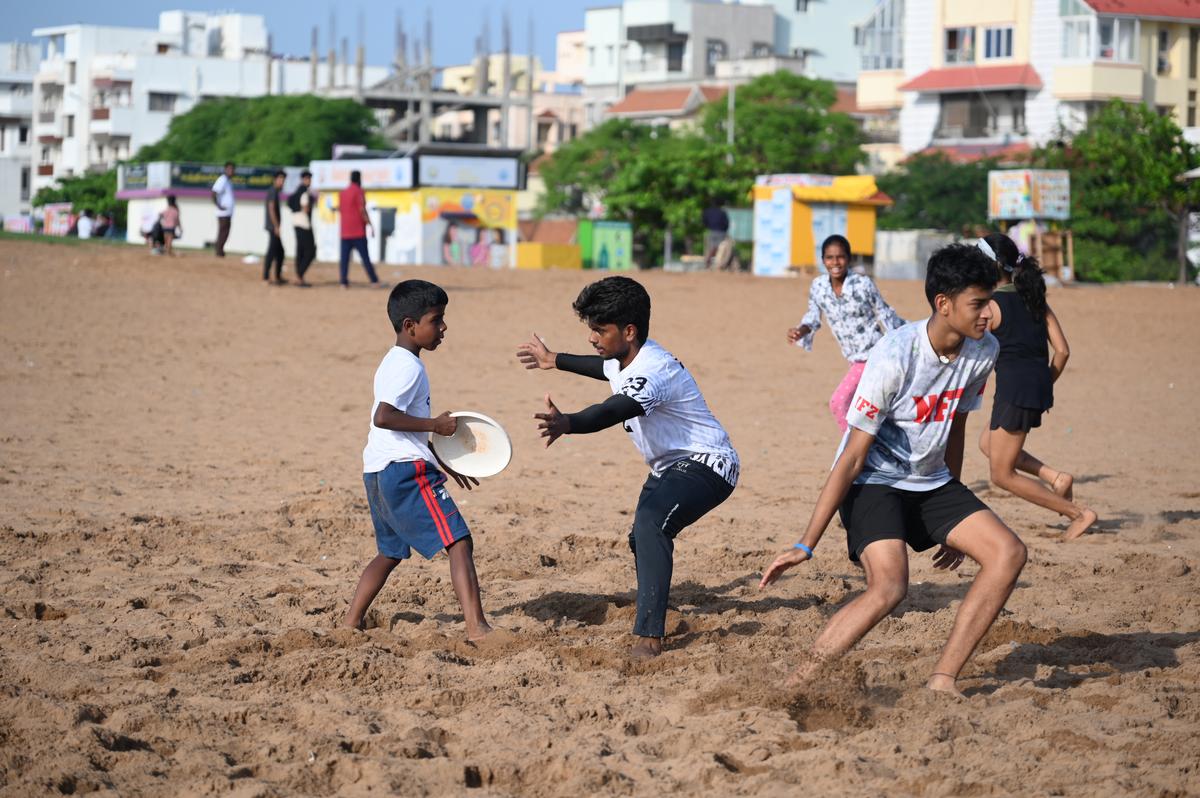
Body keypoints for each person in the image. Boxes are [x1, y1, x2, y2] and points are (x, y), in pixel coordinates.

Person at [761, 243, 1027, 697]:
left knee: (1008, 554)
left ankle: (943, 680)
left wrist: (955, 513)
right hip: (872, 483)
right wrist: (806, 544)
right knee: (889, 587)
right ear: (943, 304)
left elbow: (955, 426)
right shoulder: (895, 355)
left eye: (991, 301)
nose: (988, 313)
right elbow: (851, 456)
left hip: (933, 482)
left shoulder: (984, 351)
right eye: (978, 304)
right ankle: (795, 684)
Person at [516, 276, 739, 660]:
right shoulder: (626, 357)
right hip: (669, 467)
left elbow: (610, 411)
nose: (592, 338)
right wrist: (554, 360)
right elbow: (602, 369)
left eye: (600, 330)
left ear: (629, 331)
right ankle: (656, 604)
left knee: (651, 524)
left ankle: (650, 637)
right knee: (642, 537)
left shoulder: (653, 371)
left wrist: (567, 422)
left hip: (709, 465)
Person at [342, 279, 492, 639]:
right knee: (458, 541)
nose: (443, 328)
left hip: (378, 471)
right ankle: (477, 627)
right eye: (436, 320)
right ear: (411, 326)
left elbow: (397, 428)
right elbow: (384, 416)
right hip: (405, 471)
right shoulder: (409, 367)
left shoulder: (393, 362)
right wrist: (436, 425)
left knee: (390, 552)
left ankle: (350, 623)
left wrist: (443, 460)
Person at [976, 233, 1096, 540]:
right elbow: (1063, 351)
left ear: (990, 267)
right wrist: (1044, 382)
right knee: (987, 443)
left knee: (1001, 475)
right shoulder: (1033, 298)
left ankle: (1078, 514)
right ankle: (1056, 478)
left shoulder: (989, 308)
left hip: (1015, 392)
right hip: (1036, 388)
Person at [787, 234, 906, 434]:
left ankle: (854, 451)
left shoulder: (863, 284)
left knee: (839, 402)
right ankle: (872, 451)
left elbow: (885, 314)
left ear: (849, 259)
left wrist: (908, 339)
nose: (835, 263)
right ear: (823, 260)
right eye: (829, 258)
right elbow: (813, 317)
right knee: (868, 410)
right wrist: (800, 331)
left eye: (840, 257)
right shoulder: (819, 287)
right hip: (854, 360)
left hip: (874, 356)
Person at [339, 170, 382, 288]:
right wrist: (370, 224)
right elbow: (362, 210)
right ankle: (374, 280)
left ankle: (343, 282)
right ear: (359, 179)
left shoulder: (342, 193)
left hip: (345, 232)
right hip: (358, 231)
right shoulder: (359, 191)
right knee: (365, 258)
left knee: (344, 259)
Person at [289, 170, 316, 287]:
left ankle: (299, 277)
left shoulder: (296, 192)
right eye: (307, 178)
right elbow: (305, 208)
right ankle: (299, 275)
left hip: (295, 223)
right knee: (311, 251)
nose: (309, 181)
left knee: (300, 251)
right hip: (304, 224)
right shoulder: (305, 193)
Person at [263, 170, 286, 284]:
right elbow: (271, 209)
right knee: (272, 252)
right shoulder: (272, 191)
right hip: (272, 227)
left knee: (280, 252)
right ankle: (266, 277)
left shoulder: (275, 192)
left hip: (273, 226)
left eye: (283, 180)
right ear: (275, 180)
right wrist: (276, 226)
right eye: (280, 179)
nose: (282, 182)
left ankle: (277, 276)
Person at [211, 161, 235, 257]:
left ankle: (220, 250)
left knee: (225, 232)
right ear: (225, 170)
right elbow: (214, 193)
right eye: (229, 169)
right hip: (223, 212)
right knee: (223, 232)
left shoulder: (228, 181)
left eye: (232, 169)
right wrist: (219, 206)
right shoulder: (222, 179)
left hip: (227, 212)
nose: (231, 171)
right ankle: (219, 251)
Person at [702, 203, 730, 269]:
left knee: (710, 249)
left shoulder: (707, 211)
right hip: (721, 233)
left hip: (711, 232)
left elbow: (704, 221)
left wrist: (709, 227)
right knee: (721, 249)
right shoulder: (722, 213)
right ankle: (719, 266)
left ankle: (707, 264)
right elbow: (726, 224)